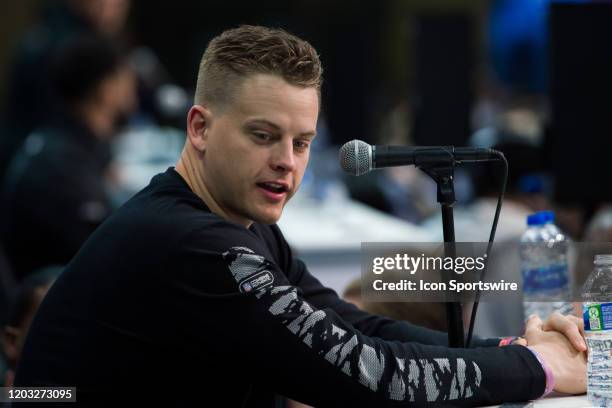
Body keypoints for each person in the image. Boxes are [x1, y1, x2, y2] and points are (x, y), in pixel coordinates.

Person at [14, 26, 587, 407]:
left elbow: (351, 324)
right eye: (263, 136)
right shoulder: (194, 244)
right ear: (200, 128)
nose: (286, 163)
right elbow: (368, 374)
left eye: (302, 142)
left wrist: (513, 349)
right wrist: (537, 370)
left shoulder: (237, 221)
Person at [1, 36, 137, 280]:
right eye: (124, 74)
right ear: (106, 89)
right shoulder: (62, 167)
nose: (133, 81)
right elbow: (109, 253)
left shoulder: (68, 140)